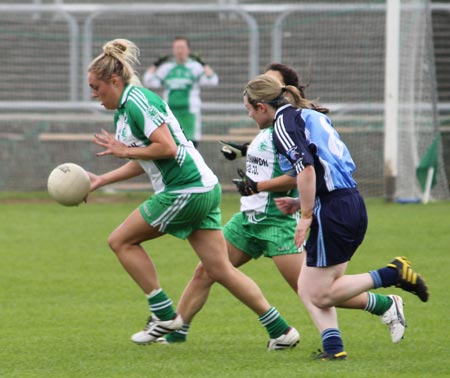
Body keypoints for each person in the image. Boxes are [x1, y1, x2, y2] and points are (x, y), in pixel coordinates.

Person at [161, 63, 408, 346]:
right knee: (206, 270)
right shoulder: (273, 126)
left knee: (313, 291)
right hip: (247, 219)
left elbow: (299, 173)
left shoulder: (291, 125)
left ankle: (383, 305)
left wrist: (283, 200)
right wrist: (243, 151)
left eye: (270, 83)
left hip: (277, 221)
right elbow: (270, 158)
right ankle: (177, 333)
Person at [86, 38, 299, 350]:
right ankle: (281, 331)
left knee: (120, 241)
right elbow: (149, 158)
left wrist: (126, 150)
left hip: (185, 189)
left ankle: (163, 314)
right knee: (218, 269)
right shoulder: (125, 107)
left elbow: (166, 148)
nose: (94, 95)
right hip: (202, 187)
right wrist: (101, 180)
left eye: (96, 87)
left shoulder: (137, 102)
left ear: (115, 81)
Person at [242, 73, 429, 360]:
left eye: (248, 110)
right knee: (308, 286)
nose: (250, 117)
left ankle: (392, 274)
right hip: (344, 201)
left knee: (320, 292)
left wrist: (306, 215)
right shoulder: (306, 115)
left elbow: (306, 169)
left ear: (261, 106)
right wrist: (302, 202)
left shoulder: (282, 125)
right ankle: (333, 347)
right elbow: (332, 164)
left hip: (333, 209)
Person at [142, 36, 218, 147]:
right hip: (170, 113)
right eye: (177, 48)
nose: (179, 50)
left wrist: (203, 63)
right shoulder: (166, 68)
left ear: (188, 49)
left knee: (190, 145)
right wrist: (156, 64)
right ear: (173, 50)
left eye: (182, 47)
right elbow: (148, 80)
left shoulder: (195, 67)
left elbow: (213, 80)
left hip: (190, 114)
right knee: (171, 145)